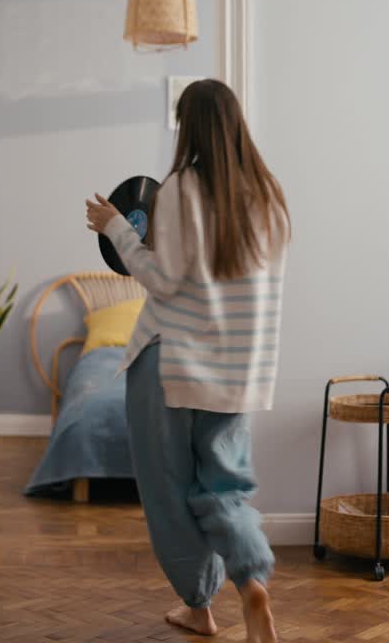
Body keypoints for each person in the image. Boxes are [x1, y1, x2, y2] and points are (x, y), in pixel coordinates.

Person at [85, 79, 288, 643]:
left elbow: (163, 281)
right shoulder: (269, 197)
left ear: (190, 126)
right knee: (226, 489)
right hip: (239, 372)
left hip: (170, 364)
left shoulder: (180, 189)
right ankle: (252, 585)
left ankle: (200, 605)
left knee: (167, 490)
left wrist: (117, 228)